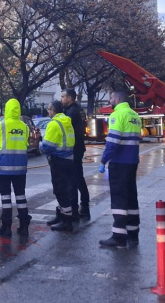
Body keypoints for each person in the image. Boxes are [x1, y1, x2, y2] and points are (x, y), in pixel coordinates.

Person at [98, 89, 142, 249]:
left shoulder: (117, 115)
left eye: (110, 98)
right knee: (131, 197)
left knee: (119, 198)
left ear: (117, 98)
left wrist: (104, 160)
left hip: (120, 162)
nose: (110, 101)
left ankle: (118, 237)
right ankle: (133, 234)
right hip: (132, 162)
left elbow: (113, 142)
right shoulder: (135, 116)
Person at [0, 98, 32, 237]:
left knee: (6, 197)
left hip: (4, 166)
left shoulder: (0, 125)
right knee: (21, 195)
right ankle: (24, 225)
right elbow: (26, 143)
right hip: (20, 166)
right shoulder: (24, 127)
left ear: (7, 109)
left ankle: (6, 226)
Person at [41, 100, 77, 232]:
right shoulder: (67, 122)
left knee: (60, 190)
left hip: (58, 160)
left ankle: (66, 221)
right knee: (65, 189)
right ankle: (62, 216)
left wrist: (40, 145)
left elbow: (47, 146)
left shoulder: (54, 124)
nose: (48, 111)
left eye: (49, 109)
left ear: (53, 110)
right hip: (69, 159)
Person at [61, 88, 90, 221]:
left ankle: (77, 208)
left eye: (63, 97)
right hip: (78, 146)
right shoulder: (78, 110)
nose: (61, 99)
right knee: (79, 178)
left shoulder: (71, 112)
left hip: (74, 148)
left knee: (74, 179)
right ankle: (84, 206)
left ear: (69, 98)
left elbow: (67, 130)